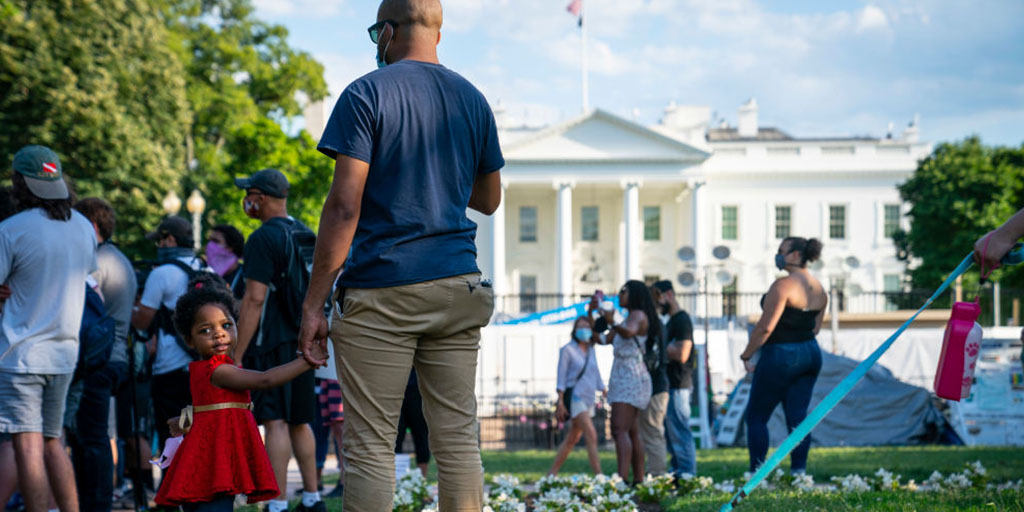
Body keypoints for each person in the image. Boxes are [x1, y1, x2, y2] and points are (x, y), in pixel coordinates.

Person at [300, 0, 504, 508]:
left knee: (370, 444)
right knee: (457, 438)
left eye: (376, 34)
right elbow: (489, 200)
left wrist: (313, 304)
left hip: (384, 286)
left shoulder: (366, 93)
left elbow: (344, 206)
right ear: (438, 31)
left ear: (386, 31)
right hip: (458, 281)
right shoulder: (472, 99)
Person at [154, 274, 328, 511]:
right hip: (212, 467)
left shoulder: (211, 368)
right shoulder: (218, 370)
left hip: (211, 461)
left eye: (226, 325)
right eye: (206, 330)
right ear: (189, 341)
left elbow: (210, 403)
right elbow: (265, 379)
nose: (218, 333)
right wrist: (307, 361)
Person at [0, 145, 96, 512]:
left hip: (20, 355)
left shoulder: (10, 230)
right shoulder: (84, 227)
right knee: (54, 440)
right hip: (65, 352)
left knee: (27, 443)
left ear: (18, 183)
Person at [231, 168, 323, 512]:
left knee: (276, 421)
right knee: (301, 419)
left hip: (273, 341)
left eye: (249, 194)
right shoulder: (305, 231)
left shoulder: (261, 239)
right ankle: (313, 497)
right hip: (305, 338)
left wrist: (238, 354)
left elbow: (254, 299)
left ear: (262, 197)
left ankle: (277, 502)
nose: (247, 201)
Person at [69, 197, 137, 512]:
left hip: (98, 361)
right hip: (113, 360)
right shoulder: (117, 258)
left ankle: (95, 505)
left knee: (91, 438)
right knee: (90, 437)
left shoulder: (96, 262)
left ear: (91, 226)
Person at [739, 237, 826, 474]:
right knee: (798, 417)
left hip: (781, 354)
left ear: (796, 255)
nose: (777, 256)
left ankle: (757, 473)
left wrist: (747, 355)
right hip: (810, 353)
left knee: (756, 416)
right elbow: (815, 328)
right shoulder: (819, 289)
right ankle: (799, 473)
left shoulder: (782, 286)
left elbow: (765, 327)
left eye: (781, 251)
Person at [131, 216, 205, 459]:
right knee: (199, 431)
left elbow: (142, 321)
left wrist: (128, 307)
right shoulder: (205, 268)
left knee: (172, 433)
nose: (158, 247)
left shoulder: (162, 274)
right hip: (203, 365)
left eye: (160, 241)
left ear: (170, 240)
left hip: (170, 366)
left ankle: (172, 491)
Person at [596, 281, 656, 484]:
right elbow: (603, 340)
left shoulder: (638, 315)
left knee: (618, 428)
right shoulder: (626, 318)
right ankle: (637, 480)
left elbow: (628, 332)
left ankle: (622, 480)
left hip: (631, 376)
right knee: (630, 430)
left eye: (623, 291)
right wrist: (593, 314)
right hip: (624, 375)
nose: (619, 295)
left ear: (634, 294)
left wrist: (612, 321)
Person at [652, 280, 698, 477]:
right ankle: (678, 470)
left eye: (658, 298)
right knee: (672, 433)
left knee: (680, 431)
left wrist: (658, 348)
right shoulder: (670, 322)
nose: (657, 304)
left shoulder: (681, 320)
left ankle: (687, 473)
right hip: (670, 384)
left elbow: (682, 353)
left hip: (679, 384)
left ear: (668, 294)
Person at [549, 316, 605, 476]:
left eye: (587, 327)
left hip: (589, 398)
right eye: (580, 327)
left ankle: (551, 474)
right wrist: (560, 401)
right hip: (575, 398)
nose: (584, 330)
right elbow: (561, 378)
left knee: (572, 438)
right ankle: (599, 475)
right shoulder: (567, 350)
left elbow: (596, 373)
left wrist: (603, 389)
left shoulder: (591, 351)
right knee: (591, 434)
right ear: (574, 330)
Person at [639, 298, 669, 476]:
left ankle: (657, 476)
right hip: (653, 386)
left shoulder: (654, 326)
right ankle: (651, 473)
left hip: (654, 387)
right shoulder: (657, 324)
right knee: (649, 432)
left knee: (653, 432)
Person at [395, 369, 430, 477]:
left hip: (418, 387)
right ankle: (396, 480)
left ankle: (421, 482)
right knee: (395, 436)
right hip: (396, 387)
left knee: (421, 435)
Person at [206, 224, 245, 298]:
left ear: (231, 247)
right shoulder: (206, 275)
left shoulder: (245, 277)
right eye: (210, 240)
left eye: (216, 241)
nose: (210, 245)